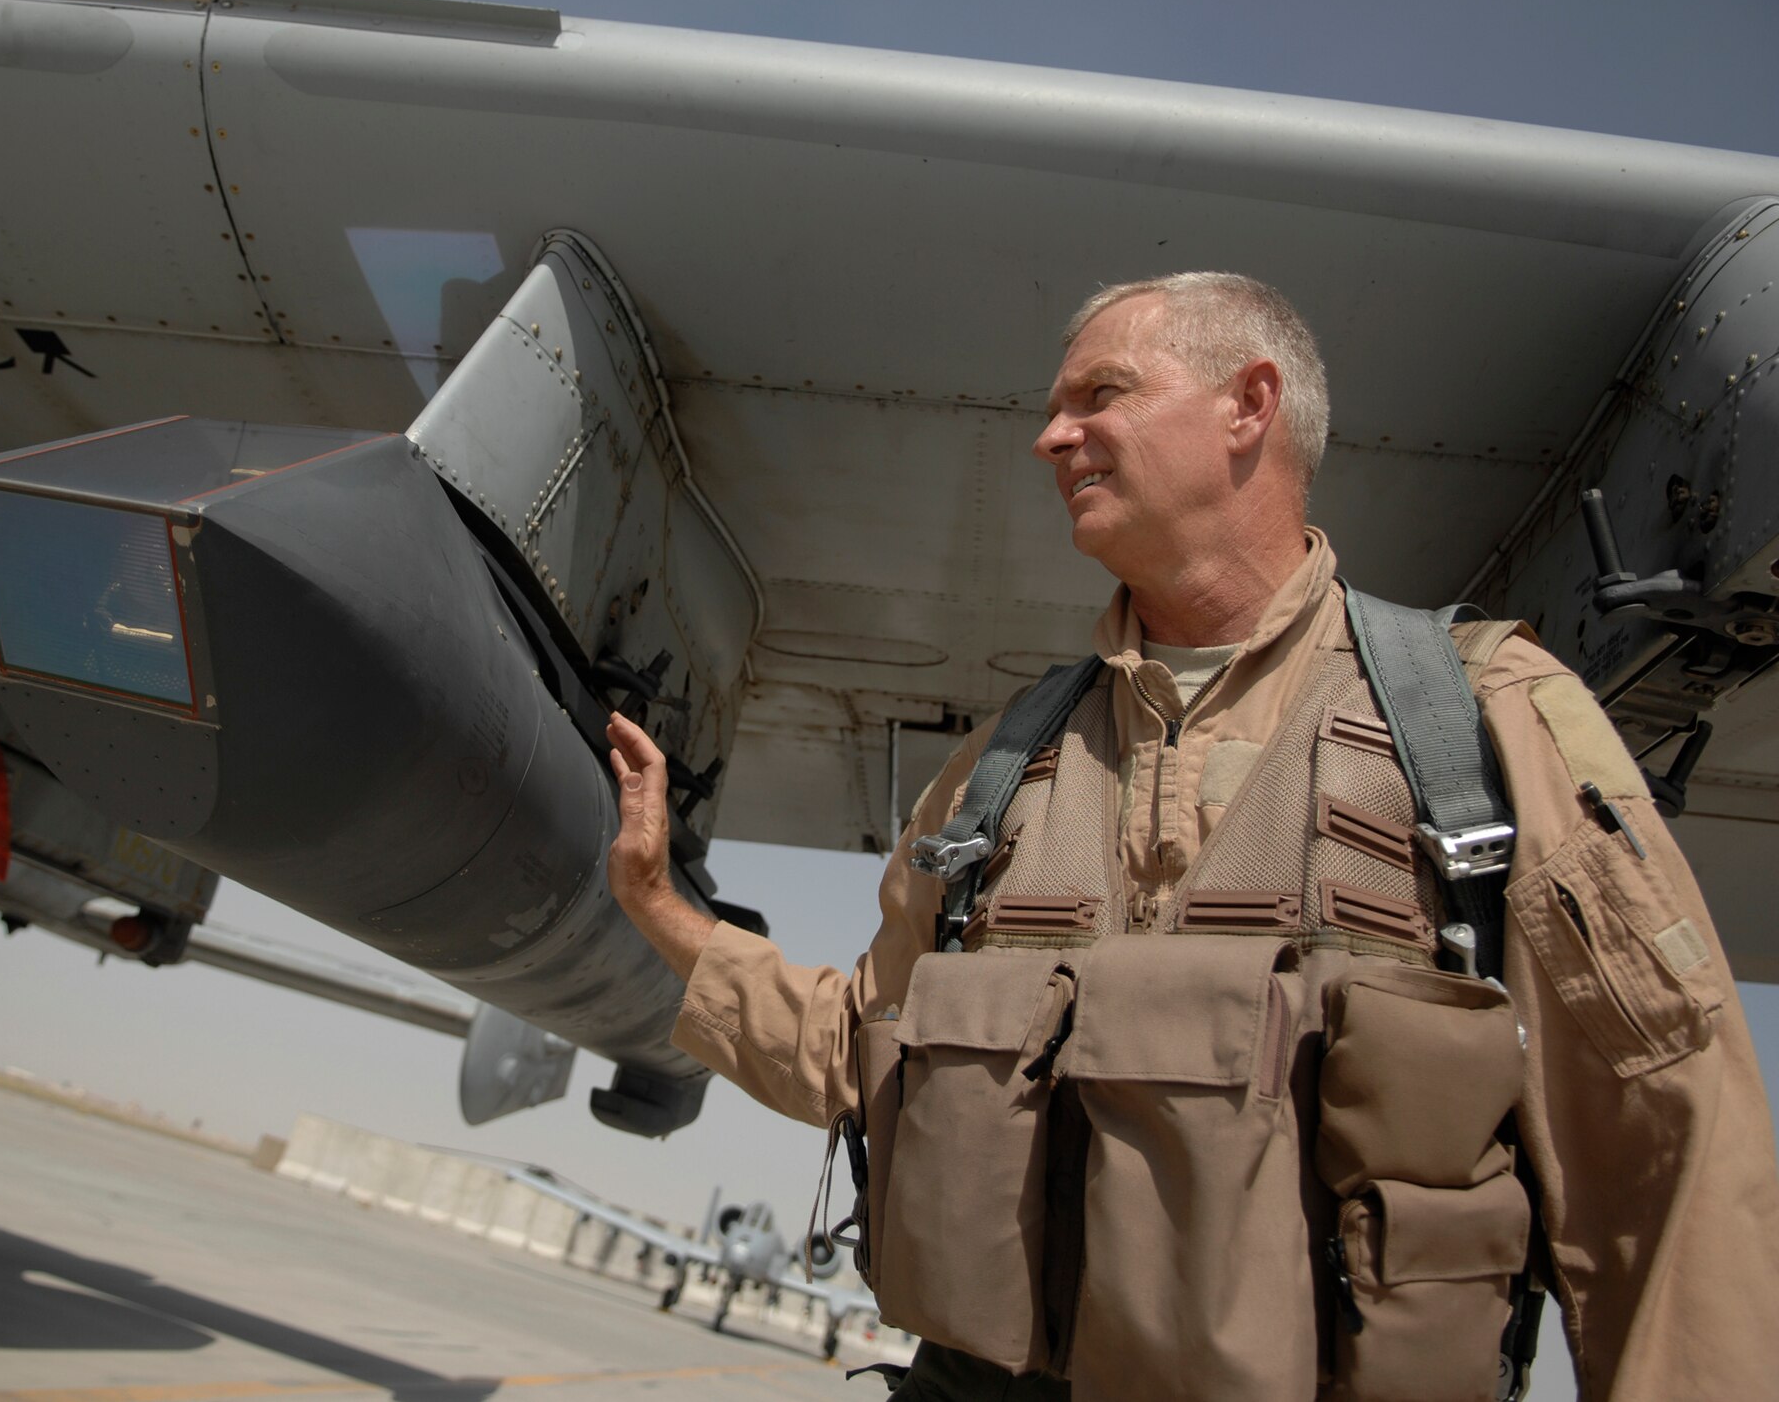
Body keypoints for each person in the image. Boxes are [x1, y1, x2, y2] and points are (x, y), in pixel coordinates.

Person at [603, 273, 1779, 1400]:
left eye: (1097, 395)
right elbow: (855, 1053)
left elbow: (1663, 1151)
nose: (1048, 438)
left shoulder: (1481, 722)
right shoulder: (1002, 769)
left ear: (1248, 405)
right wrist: (660, 903)